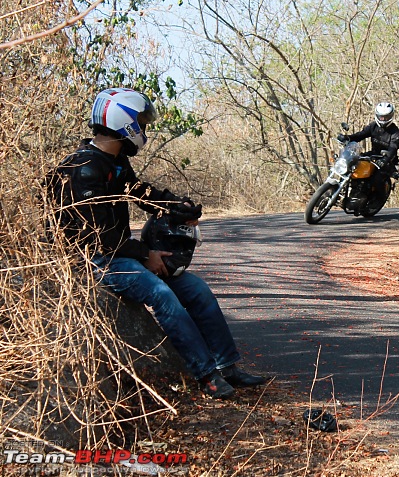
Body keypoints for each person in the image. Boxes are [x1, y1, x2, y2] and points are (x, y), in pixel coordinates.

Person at [55, 88, 265, 399]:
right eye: (140, 122)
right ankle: (206, 375)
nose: (143, 129)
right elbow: (98, 235)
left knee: (197, 290)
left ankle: (227, 367)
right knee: (161, 294)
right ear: (122, 121)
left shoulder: (114, 160)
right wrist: (146, 256)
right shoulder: (83, 169)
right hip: (92, 259)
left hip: (119, 253)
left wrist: (179, 207)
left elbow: (140, 192)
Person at [337, 101, 399, 183]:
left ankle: (375, 195)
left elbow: (393, 148)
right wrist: (347, 138)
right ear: (377, 115)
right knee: (352, 166)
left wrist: (385, 159)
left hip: (388, 160)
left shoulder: (396, 132)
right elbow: (360, 135)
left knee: (377, 179)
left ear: (391, 116)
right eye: (381, 117)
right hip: (372, 155)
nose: (383, 119)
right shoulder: (373, 126)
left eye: (386, 117)